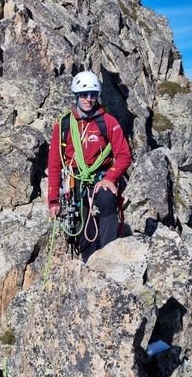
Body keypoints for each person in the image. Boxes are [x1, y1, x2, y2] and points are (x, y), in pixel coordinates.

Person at [47, 70, 132, 261]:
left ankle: (109, 255)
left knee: (107, 200)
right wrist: (53, 200)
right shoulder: (63, 125)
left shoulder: (108, 122)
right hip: (74, 181)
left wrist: (110, 178)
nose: (88, 99)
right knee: (81, 222)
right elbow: (54, 163)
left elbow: (124, 155)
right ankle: (90, 262)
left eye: (93, 95)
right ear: (76, 96)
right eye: (84, 95)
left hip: (100, 177)